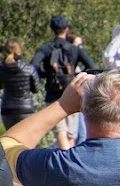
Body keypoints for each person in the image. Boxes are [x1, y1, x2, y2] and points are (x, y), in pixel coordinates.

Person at [31, 16, 96, 150]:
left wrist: (45, 74)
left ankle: (66, 164)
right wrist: (76, 75)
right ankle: (69, 164)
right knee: (71, 135)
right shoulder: (74, 49)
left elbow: (33, 65)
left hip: (53, 94)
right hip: (73, 92)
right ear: (66, 30)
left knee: (60, 132)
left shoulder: (46, 48)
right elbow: (92, 66)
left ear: (52, 31)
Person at [2, 39, 41, 130]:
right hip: (25, 108)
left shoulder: (2, 68)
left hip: (7, 109)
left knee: (11, 141)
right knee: (26, 140)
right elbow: (36, 89)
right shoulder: (29, 68)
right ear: (20, 50)